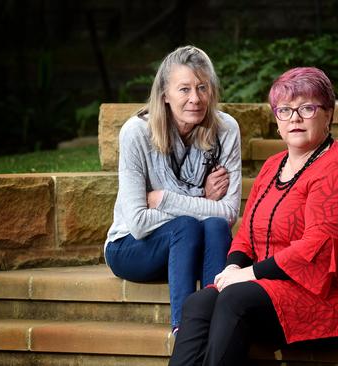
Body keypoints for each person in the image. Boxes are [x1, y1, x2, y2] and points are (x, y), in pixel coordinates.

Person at [169, 67, 338, 365]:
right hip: (269, 289)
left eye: (307, 108)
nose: (294, 117)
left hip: (328, 296)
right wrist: (232, 270)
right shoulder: (272, 166)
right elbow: (246, 234)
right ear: (277, 120)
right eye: (284, 110)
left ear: (329, 114)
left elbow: (316, 248)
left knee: (235, 299)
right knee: (199, 302)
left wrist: (249, 274)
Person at [104, 46, 242, 336]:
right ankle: (186, 331)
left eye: (202, 88)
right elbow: (139, 223)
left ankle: (218, 324)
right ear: (164, 94)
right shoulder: (136, 133)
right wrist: (202, 200)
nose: (195, 98)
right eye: (184, 89)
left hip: (189, 244)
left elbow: (229, 212)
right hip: (130, 247)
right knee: (188, 226)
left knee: (216, 227)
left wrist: (163, 199)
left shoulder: (226, 129)